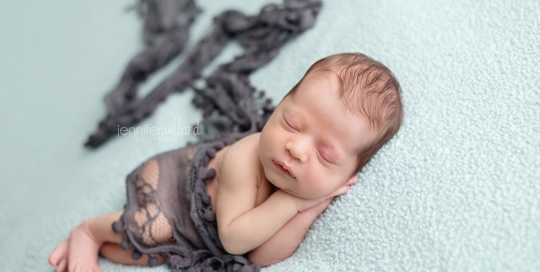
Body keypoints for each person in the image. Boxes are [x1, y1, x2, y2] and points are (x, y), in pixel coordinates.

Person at [48, 52, 403, 272]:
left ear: (348, 174)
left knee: (154, 254)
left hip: (199, 233)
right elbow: (234, 241)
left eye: (326, 155)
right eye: (291, 123)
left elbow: (262, 256)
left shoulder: (304, 190)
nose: (295, 148)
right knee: (151, 230)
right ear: (279, 106)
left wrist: (307, 209)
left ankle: (98, 246)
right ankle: (87, 231)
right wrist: (292, 201)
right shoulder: (245, 159)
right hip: (174, 192)